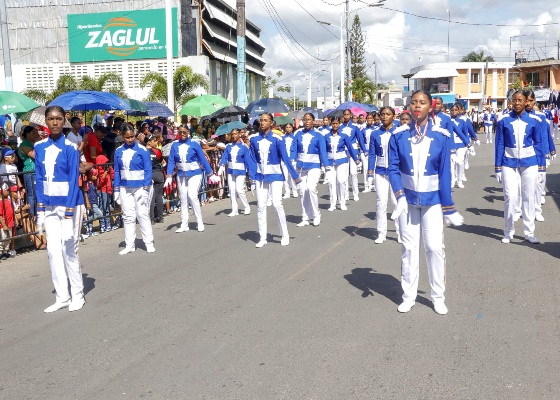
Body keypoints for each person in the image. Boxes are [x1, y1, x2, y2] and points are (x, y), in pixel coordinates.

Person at [388, 90, 464, 315]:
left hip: (432, 202)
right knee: (409, 248)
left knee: (433, 247)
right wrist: (399, 196)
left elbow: (445, 174)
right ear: (409, 107)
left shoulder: (441, 136)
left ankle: (437, 296)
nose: (417, 106)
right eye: (414, 103)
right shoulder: (399, 135)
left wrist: (448, 207)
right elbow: (393, 168)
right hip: (407, 202)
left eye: (422, 103)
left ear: (430, 107)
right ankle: (408, 295)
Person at [35, 105, 86, 313]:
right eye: (50, 119)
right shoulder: (39, 147)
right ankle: (62, 296)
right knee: (53, 251)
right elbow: (38, 179)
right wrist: (39, 210)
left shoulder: (70, 148)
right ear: (45, 121)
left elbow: (74, 181)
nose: (54, 122)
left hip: (70, 204)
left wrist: (69, 212)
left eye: (58, 119)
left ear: (63, 120)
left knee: (69, 249)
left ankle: (78, 294)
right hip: (48, 206)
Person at [495, 90, 545, 244]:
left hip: (529, 162)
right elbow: (500, 144)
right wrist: (497, 166)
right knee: (510, 197)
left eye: (520, 100)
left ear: (525, 102)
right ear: (511, 102)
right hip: (508, 163)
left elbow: (538, 144)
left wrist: (541, 166)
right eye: (514, 100)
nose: (517, 103)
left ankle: (529, 232)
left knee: (529, 196)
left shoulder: (534, 120)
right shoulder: (503, 120)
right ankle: (508, 231)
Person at [248, 113, 301, 248]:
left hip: (276, 176)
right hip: (261, 177)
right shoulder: (254, 139)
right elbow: (252, 160)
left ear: (271, 123)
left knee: (277, 204)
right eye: (261, 120)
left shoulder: (278, 139)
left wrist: (295, 177)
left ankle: (284, 234)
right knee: (260, 206)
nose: (262, 123)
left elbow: (285, 158)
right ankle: (262, 237)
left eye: (265, 120)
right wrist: (252, 179)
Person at [164, 124, 220, 233]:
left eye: (184, 132)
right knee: (183, 198)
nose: (182, 134)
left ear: (188, 132)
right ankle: (184, 224)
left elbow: (203, 160)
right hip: (181, 175)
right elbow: (171, 160)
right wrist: (169, 176)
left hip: (195, 174)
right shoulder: (175, 145)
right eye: (180, 132)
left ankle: (199, 221)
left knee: (192, 195)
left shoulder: (195, 144)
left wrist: (210, 174)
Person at [113, 124, 155, 255]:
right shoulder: (118, 151)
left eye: (132, 137)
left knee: (142, 214)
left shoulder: (142, 150)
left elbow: (148, 169)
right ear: (122, 137)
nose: (130, 139)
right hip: (125, 187)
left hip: (141, 187)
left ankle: (148, 242)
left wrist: (146, 188)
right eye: (127, 137)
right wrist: (116, 189)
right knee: (128, 216)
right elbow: (116, 171)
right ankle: (129, 244)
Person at [367, 106, 401, 244]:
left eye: (388, 114)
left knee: (396, 203)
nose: (385, 116)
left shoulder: (399, 132)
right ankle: (381, 233)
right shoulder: (375, 134)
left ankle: (400, 232)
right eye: (382, 114)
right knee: (381, 202)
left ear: (393, 116)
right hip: (380, 172)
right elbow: (371, 154)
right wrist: (370, 172)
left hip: (395, 172)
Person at [291, 113, 329, 227]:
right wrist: (292, 160)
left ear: (313, 121)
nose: (307, 122)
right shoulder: (298, 133)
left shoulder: (319, 135)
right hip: (301, 166)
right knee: (302, 190)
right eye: (305, 120)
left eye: (309, 120)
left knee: (311, 188)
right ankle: (305, 217)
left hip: (314, 166)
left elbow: (323, 151)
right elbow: (293, 148)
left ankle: (316, 214)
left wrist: (326, 166)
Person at [324, 117, 358, 211]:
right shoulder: (326, 136)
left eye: (336, 123)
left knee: (341, 181)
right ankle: (332, 203)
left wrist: (356, 159)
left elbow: (350, 148)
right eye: (333, 123)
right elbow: (323, 150)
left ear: (339, 124)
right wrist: (323, 161)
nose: (335, 125)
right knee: (331, 182)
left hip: (342, 161)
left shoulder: (344, 136)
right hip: (330, 161)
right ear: (331, 124)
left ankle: (342, 202)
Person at [218, 129, 253, 217]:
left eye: (235, 134)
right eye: (232, 134)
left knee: (239, 190)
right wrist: (222, 165)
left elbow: (247, 161)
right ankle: (234, 209)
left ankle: (246, 206)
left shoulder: (244, 147)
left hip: (240, 171)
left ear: (239, 135)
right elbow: (225, 156)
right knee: (232, 190)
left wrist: (251, 174)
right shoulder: (228, 146)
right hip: (230, 171)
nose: (234, 136)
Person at [340, 109, 366, 201]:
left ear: (351, 115)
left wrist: (364, 150)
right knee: (345, 174)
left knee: (353, 173)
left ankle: (355, 193)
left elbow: (360, 140)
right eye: (345, 114)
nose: (346, 116)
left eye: (348, 114)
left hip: (354, 152)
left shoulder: (355, 127)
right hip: (343, 152)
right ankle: (346, 194)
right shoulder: (340, 127)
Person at [144, 134, 165, 224]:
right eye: (154, 141)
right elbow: (163, 162)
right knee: (158, 196)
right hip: (158, 174)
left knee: (152, 198)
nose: (156, 143)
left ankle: (152, 219)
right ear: (149, 142)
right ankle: (160, 217)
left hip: (150, 174)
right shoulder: (157, 151)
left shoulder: (143, 151)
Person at [281, 123, 298, 198]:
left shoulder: (295, 137)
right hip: (284, 160)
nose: (288, 128)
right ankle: (287, 192)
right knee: (285, 177)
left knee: (293, 176)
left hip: (292, 160)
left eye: (289, 127)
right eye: (287, 127)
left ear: (292, 128)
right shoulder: (282, 138)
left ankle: (294, 191)